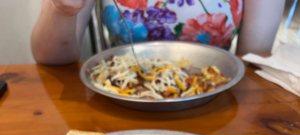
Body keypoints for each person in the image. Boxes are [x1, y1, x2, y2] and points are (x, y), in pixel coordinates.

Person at [31, 0, 286, 65]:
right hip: (118, 100)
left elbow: (253, 62)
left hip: (213, 102)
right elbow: (49, 56)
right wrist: (61, 9)